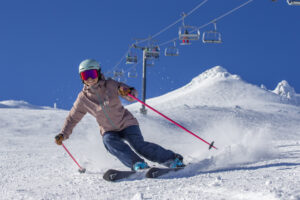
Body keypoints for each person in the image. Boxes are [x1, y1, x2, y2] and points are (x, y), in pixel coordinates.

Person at [55, 59, 184, 171]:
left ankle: (172, 159)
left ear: (98, 73)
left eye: (92, 73)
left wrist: (127, 92)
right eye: (85, 75)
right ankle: (137, 163)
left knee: (139, 145)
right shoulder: (83, 99)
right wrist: (63, 134)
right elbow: (72, 118)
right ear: (81, 78)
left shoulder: (111, 84)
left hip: (127, 123)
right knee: (108, 141)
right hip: (109, 130)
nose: (89, 78)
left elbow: (132, 94)